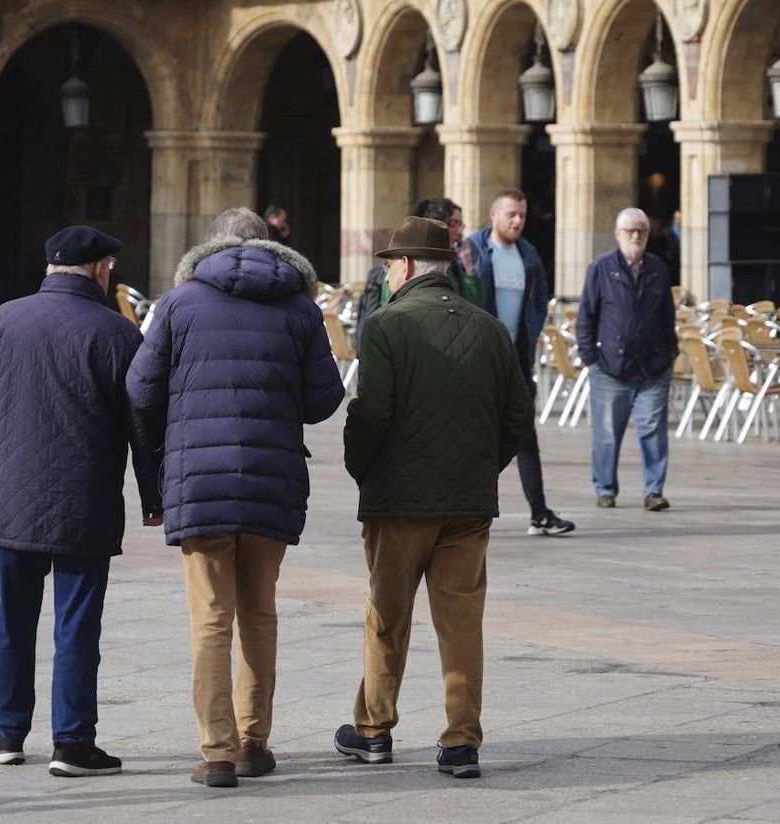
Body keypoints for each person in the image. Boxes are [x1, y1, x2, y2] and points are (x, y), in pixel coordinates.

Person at [127, 208, 344, 788]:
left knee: (210, 619)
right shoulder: (300, 308)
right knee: (260, 613)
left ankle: (217, 753)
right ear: (271, 245)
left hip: (199, 478)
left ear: (211, 244)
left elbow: (140, 388)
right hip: (270, 478)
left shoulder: (178, 304)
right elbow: (326, 398)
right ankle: (254, 743)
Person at [0, 225, 162, 776]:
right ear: (100, 271)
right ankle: (72, 742)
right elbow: (144, 424)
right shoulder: (119, 334)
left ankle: (4, 732)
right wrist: (153, 494)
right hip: (86, 502)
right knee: (77, 624)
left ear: (49, 269)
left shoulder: (1, 320)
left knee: (13, 620)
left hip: (12, 501)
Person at [334, 216, 534, 777]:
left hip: (398, 502)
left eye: (388, 264)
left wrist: (361, 467)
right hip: (468, 504)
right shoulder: (490, 328)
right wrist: (479, 466)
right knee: (462, 623)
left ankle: (374, 729)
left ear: (404, 267)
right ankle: (461, 740)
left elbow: (372, 412)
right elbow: (518, 416)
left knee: (387, 616)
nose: (387, 274)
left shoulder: (386, 325)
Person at [457, 188, 575, 537]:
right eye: (511, 214)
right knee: (475, 437)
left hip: (517, 359)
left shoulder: (528, 254)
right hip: (481, 359)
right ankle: (463, 509)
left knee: (525, 433)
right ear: (493, 214)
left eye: (521, 215)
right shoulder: (474, 250)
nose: (517, 221)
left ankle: (539, 512)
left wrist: (532, 332)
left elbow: (538, 300)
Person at [576, 207, 677, 511]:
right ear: (618, 234)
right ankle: (605, 489)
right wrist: (590, 359)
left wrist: (670, 354)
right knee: (606, 433)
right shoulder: (601, 268)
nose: (636, 236)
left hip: (653, 368)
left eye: (642, 231)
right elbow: (586, 317)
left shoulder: (658, 268)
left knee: (653, 430)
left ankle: (654, 491)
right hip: (609, 368)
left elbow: (667, 316)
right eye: (630, 231)